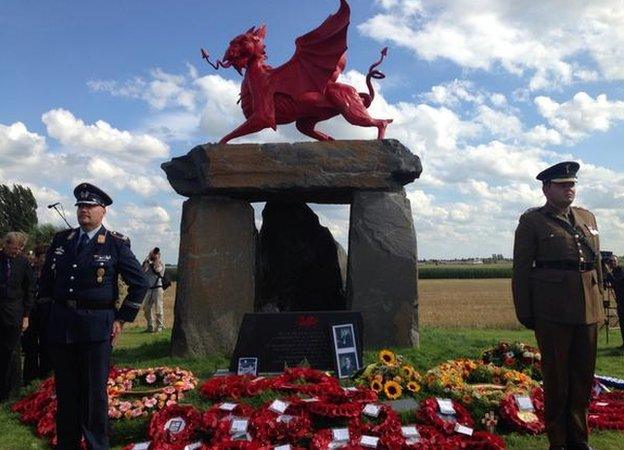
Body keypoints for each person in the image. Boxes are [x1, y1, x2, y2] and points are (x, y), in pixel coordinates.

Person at [38, 182, 149, 450]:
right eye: (80, 206)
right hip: (62, 325)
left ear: (103, 211)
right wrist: (45, 318)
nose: (83, 211)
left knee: (93, 395)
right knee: (66, 393)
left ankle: (97, 445)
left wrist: (121, 319)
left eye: (90, 206)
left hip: (96, 327)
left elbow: (140, 283)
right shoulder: (62, 240)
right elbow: (46, 284)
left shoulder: (115, 243)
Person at [512, 161, 603, 450]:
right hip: (552, 310)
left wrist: (598, 300)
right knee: (557, 379)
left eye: (572, 184)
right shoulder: (533, 221)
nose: (569, 189)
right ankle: (559, 442)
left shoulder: (587, 217)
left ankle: (580, 439)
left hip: (587, 309)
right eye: (563, 185)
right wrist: (525, 311)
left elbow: (596, 262)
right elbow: (522, 269)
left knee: (583, 378)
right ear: (546, 188)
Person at [0, 231, 35, 401]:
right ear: (5, 244)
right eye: (14, 248)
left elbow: (29, 289)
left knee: (12, 352)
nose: (16, 252)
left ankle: (12, 391)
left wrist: (26, 315)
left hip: (15, 313)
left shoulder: (23, 263)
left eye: (20, 249)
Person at [22, 244, 53, 384]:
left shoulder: (53, 274)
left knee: (47, 345)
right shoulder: (29, 271)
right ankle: (29, 379)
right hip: (31, 311)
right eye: (42, 257)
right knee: (30, 346)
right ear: (37, 258)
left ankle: (45, 377)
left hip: (47, 310)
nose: (44, 260)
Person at [142, 247, 166, 332]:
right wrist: (148, 259)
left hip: (158, 288)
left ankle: (159, 326)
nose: (154, 255)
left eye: (156, 254)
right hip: (149, 288)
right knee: (146, 308)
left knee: (159, 308)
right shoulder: (147, 263)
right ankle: (150, 326)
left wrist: (156, 260)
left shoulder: (161, 264)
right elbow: (143, 271)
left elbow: (158, 270)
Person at [604, 255, 624, 348]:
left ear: (617, 262)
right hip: (620, 301)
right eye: (610, 262)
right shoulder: (614, 272)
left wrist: (608, 273)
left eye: (614, 261)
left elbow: (617, 283)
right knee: (622, 323)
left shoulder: (622, 271)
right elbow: (607, 282)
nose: (612, 263)